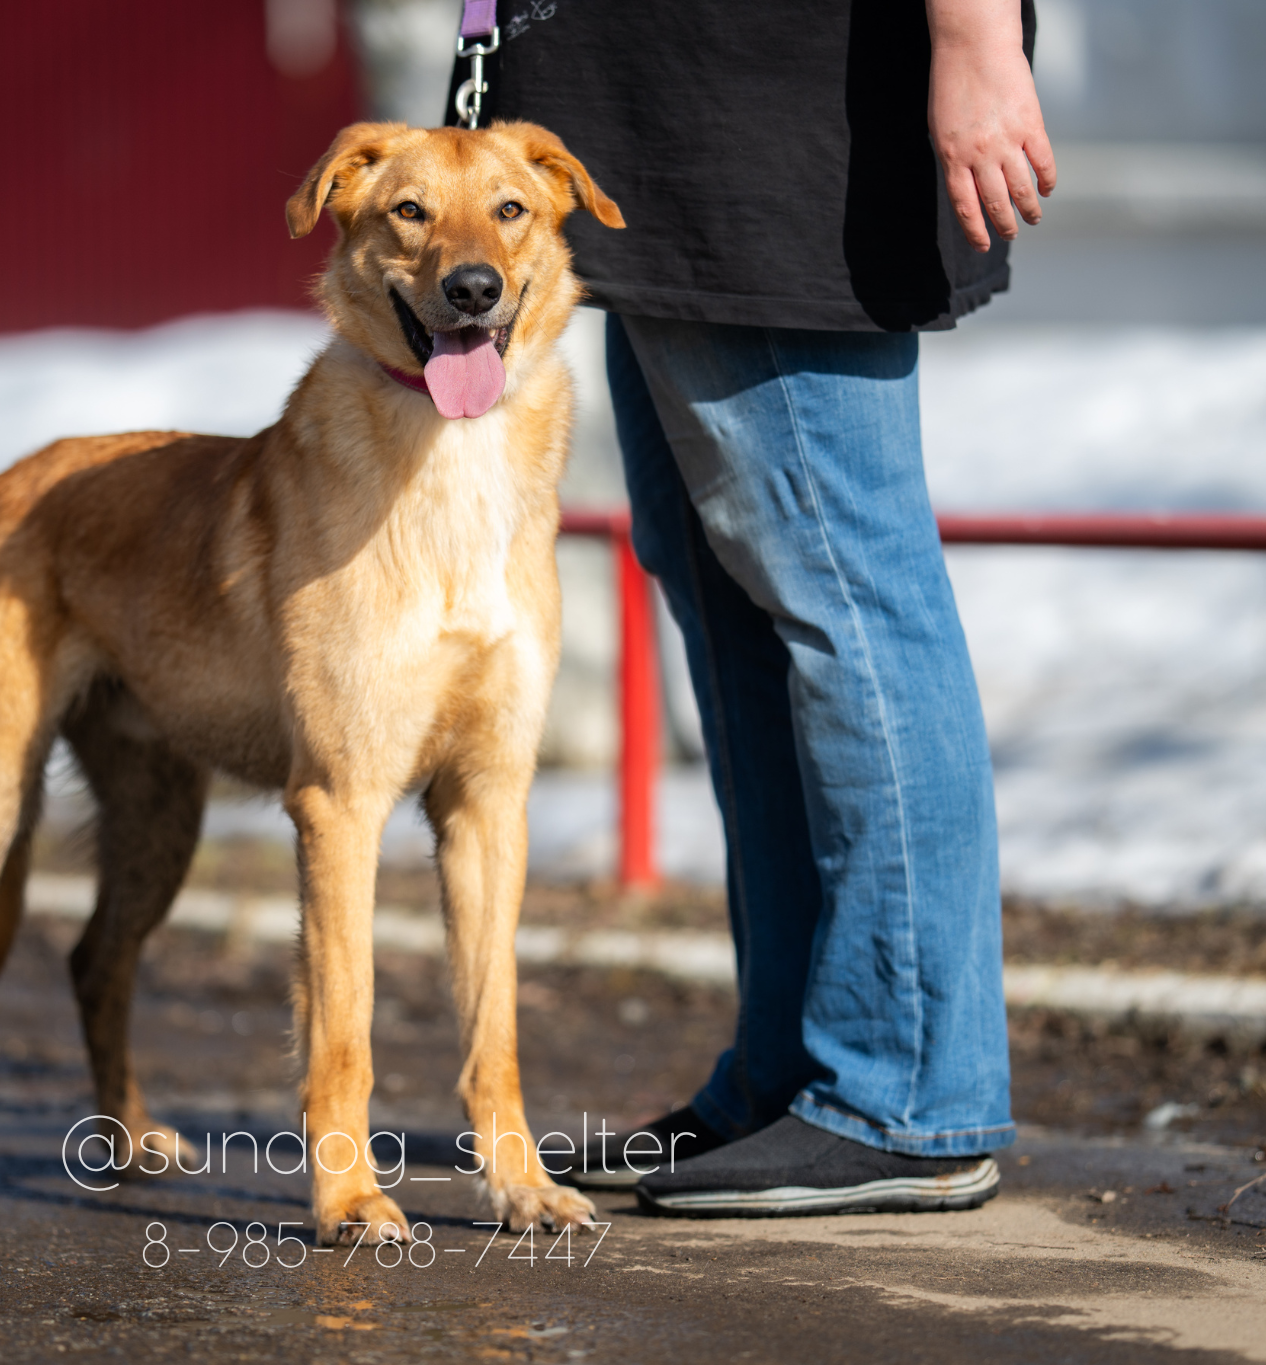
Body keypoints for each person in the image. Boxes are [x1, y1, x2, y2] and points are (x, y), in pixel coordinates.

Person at [450, 0, 1055, 1215]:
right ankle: (791, 1074)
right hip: (646, 127)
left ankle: (906, 1094)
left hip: (759, 126)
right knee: (730, 602)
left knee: (847, 595)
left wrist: (975, 39)